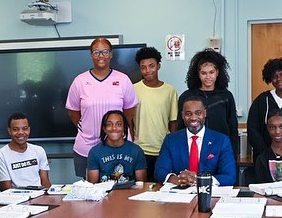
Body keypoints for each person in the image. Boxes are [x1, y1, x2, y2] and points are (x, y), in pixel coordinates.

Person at [66, 37, 138, 179]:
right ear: (91, 55)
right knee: (90, 189)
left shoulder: (123, 80)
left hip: (119, 147)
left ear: (111, 54)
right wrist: (86, 127)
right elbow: (73, 111)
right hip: (87, 147)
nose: (101, 56)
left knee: (122, 186)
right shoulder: (80, 81)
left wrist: (119, 128)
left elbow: (129, 112)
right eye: (96, 52)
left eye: (105, 51)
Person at [155, 94, 237, 186]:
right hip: (180, 191)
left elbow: (230, 176)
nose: (193, 118)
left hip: (209, 192)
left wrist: (200, 180)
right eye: (188, 114)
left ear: (205, 113)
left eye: (198, 113)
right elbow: (159, 172)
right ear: (182, 115)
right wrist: (178, 179)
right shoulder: (171, 140)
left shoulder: (221, 140)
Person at [178, 48, 239, 159]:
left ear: (217, 72)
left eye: (211, 72)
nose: (208, 77)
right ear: (198, 74)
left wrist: (233, 153)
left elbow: (233, 127)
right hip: (194, 149)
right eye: (203, 73)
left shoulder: (226, 96)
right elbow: (180, 127)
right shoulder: (187, 97)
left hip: (221, 149)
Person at [133, 46, 178, 181]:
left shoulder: (170, 91)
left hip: (163, 149)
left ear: (158, 66)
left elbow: (173, 122)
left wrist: (172, 147)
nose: (148, 70)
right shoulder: (133, 89)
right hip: (140, 149)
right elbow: (128, 120)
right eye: (143, 67)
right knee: (141, 188)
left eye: (151, 66)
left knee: (162, 186)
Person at [0, 112, 51, 190]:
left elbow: (45, 182)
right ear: (9, 131)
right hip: (16, 196)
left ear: (29, 130)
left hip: (39, 194)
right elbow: (7, 188)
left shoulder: (39, 150)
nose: (20, 132)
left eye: (25, 128)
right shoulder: (1, 155)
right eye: (15, 129)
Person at [87, 110, 147, 184]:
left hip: (130, 191)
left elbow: (141, 185)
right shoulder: (94, 152)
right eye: (109, 124)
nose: (114, 128)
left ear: (124, 127)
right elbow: (92, 185)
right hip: (104, 191)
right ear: (104, 128)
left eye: (118, 124)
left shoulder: (137, 151)